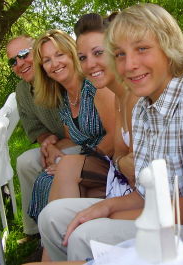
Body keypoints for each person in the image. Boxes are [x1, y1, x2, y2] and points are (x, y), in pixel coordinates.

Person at [37, 3, 183, 261]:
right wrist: (106, 205)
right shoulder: (143, 105)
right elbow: (143, 192)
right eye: (119, 54)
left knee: (84, 235)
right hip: (155, 211)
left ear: (168, 45)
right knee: (51, 217)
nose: (129, 65)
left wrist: (110, 214)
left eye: (142, 49)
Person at [27, 29, 116, 221]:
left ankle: (63, 237)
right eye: (47, 60)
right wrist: (52, 148)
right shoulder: (66, 98)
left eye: (60, 54)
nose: (55, 64)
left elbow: (116, 135)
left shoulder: (95, 86)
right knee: (45, 179)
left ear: (73, 55)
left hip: (112, 160)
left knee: (53, 179)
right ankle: (50, 240)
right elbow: (71, 138)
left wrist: (76, 164)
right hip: (88, 159)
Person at [49, 13, 137, 204]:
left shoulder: (135, 96)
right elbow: (122, 156)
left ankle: (64, 225)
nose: (89, 64)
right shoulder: (119, 100)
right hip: (118, 173)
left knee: (64, 181)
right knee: (66, 167)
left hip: (143, 196)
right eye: (82, 57)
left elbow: (137, 167)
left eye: (98, 53)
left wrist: (123, 163)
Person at [6, 35, 78, 240]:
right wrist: (46, 141)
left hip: (81, 142)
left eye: (23, 54)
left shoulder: (58, 76)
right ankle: (34, 230)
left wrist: (56, 147)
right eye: (13, 61)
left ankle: (58, 231)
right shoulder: (22, 90)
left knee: (56, 161)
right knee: (25, 161)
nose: (19, 63)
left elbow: (80, 128)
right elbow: (33, 127)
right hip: (56, 144)